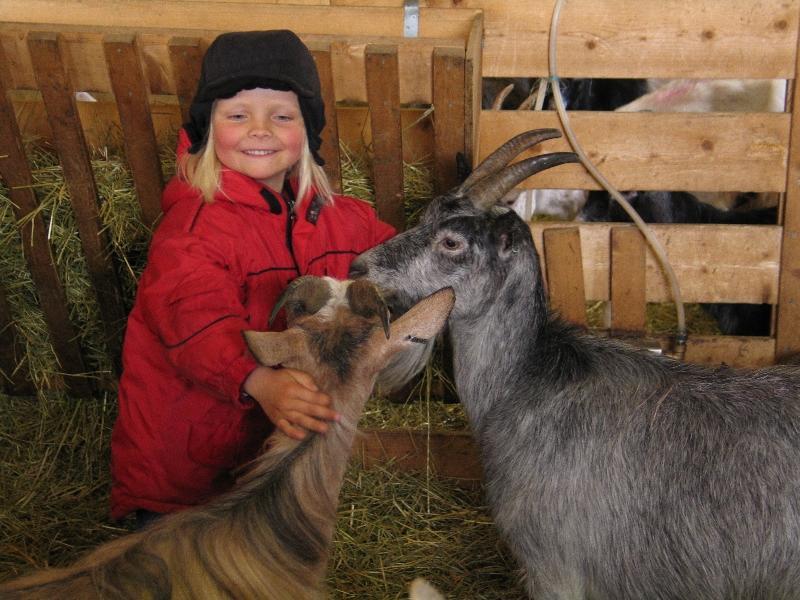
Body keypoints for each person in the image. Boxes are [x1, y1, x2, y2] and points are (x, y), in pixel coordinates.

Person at [110, 30, 396, 526]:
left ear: (307, 131)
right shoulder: (194, 227)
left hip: (269, 465)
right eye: (237, 115)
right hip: (182, 478)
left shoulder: (339, 218)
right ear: (207, 130)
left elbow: (400, 257)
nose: (259, 130)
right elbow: (193, 321)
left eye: (282, 116)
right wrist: (258, 380)